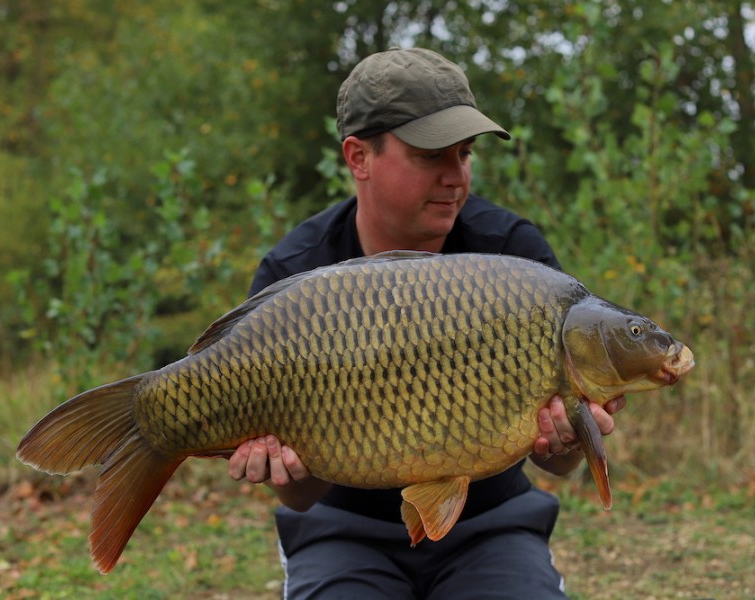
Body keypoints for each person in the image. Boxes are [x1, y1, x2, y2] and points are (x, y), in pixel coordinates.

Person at [227, 47, 626, 599]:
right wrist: (283, 469)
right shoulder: (294, 274)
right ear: (359, 156)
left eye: (464, 154)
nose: (455, 178)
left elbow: (557, 465)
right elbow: (298, 496)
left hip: (490, 525)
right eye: (432, 155)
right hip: (343, 529)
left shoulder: (512, 256)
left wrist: (566, 440)